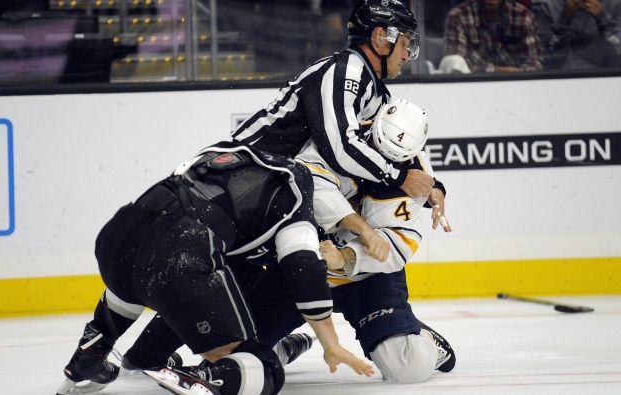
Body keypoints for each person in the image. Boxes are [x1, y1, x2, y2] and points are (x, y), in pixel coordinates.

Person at [120, 99, 456, 386]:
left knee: (406, 368)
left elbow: (398, 245)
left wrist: (348, 256)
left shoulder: (417, 179)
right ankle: (284, 346)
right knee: (240, 353)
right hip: (305, 266)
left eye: (393, 160)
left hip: (366, 279)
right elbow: (310, 184)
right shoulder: (342, 138)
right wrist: (360, 229)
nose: (382, 166)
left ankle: (418, 336)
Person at [56, 141, 373, 395]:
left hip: (119, 234)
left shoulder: (228, 151)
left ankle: (90, 355)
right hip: (180, 250)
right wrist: (332, 345)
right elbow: (304, 268)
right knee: (264, 369)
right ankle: (208, 377)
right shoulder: (296, 189)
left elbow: (163, 227)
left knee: (140, 274)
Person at [232, 0, 436, 201]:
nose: (406, 55)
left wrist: (433, 188)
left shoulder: (378, 93)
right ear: (380, 38)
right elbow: (342, 148)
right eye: (403, 44)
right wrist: (400, 178)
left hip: (280, 180)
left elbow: (386, 153)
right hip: (246, 172)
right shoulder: (343, 72)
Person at [442, 0, 543, 73]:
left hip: (516, 88)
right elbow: (456, 67)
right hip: (472, 88)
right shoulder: (458, 17)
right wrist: (498, 70)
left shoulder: (524, 17)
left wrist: (514, 75)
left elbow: (534, 64)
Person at [530, 0, 621, 70]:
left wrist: (602, 17)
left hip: (605, 78)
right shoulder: (547, 7)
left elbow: (618, 53)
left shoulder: (615, 5)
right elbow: (543, 60)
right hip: (557, 79)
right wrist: (564, 19)